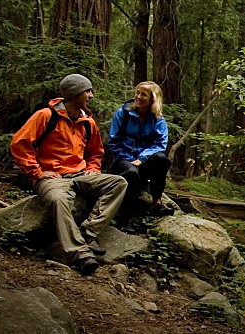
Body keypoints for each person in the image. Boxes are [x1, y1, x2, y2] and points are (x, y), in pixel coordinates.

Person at [11, 73, 127, 276]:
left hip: (81, 174)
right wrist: (36, 172)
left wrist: (93, 169)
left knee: (118, 183)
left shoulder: (87, 122)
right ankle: (79, 254)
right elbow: (20, 143)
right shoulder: (46, 116)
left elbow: (95, 151)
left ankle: (88, 232)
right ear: (74, 94)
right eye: (87, 91)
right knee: (58, 199)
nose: (91, 95)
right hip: (52, 177)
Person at [108, 81, 173, 216]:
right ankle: (126, 215)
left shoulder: (158, 119)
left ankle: (156, 202)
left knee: (162, 159)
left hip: (143, 161)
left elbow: (160, 144)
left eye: (143, 95)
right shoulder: (123, 114)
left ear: (153, 99)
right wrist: (129, 159)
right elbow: (114, 140)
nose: (138, 97)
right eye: (137, 93)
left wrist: (142, 159)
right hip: (123, 159)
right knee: (131, 172)